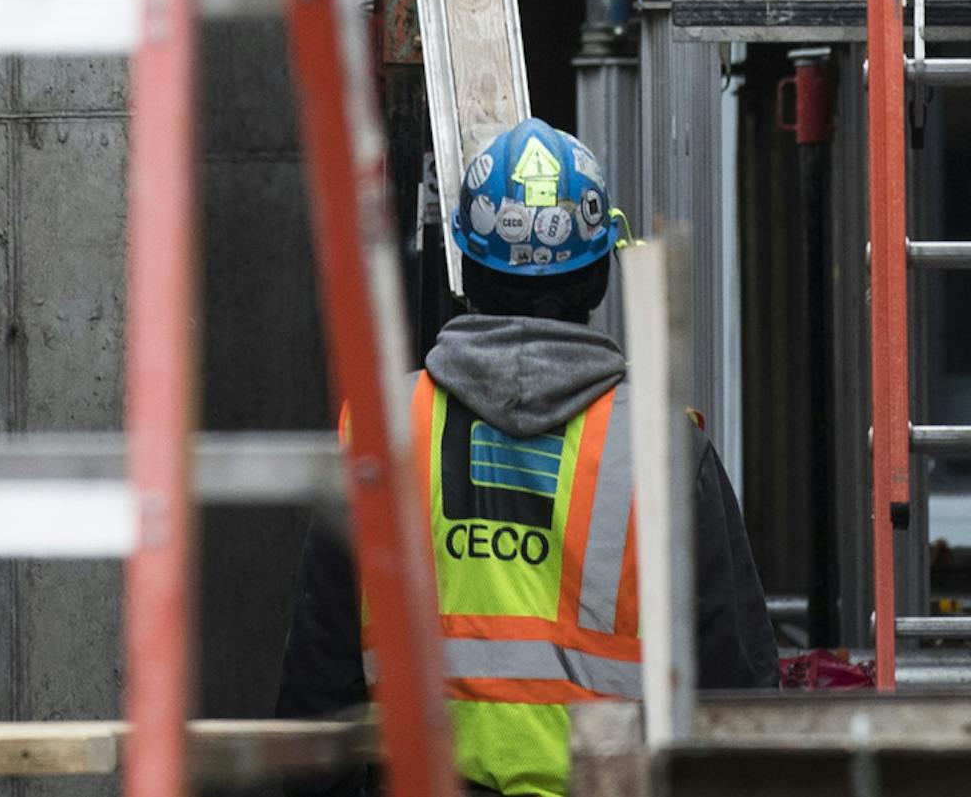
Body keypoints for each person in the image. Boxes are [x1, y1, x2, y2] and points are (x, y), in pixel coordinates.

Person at [277, 118, 778, 795]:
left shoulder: (383, 432)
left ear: (468, 266)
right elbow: (738, 712)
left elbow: (316, 697)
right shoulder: (664, 451)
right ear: (600, 272)